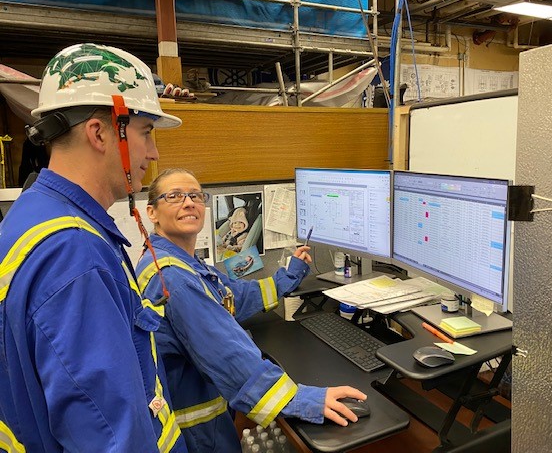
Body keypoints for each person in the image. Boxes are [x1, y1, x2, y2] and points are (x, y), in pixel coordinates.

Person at [0, 43, 187, 452]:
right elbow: (111, 438)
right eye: (146, 132)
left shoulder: (32, 214)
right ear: (100, 133)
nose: (154, 153)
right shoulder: (74, 255)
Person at [136, 168, 367, 453]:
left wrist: (289, 275)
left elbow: (232, 296)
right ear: (152, 212)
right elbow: (226, 354)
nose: (188, 202)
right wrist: (301, 400)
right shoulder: (174, 278)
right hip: (197, 428)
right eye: (174, 196)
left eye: (195, 195)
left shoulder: (177, 261)